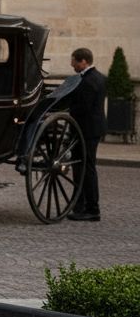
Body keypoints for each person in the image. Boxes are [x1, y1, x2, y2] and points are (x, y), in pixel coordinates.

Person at [68, 47, 106, 221]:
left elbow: (83, 108)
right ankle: (81, 205)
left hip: (86, 129)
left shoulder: (89, 81)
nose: (72, 64)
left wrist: (66, 111)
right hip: (91, 129)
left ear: (83, 61)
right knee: (84, 166)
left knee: (86, 167)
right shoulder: (98, 77)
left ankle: (91, 208)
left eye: (74, 61)